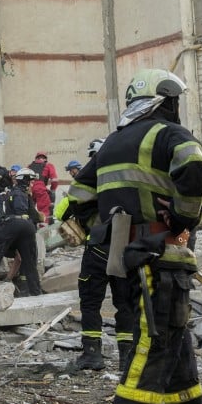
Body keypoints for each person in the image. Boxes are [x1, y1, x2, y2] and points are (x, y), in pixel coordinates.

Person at [66, 69, 202, 404]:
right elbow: (193, 166)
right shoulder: (169, 134)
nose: (176, 107)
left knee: (176, 349)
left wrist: (113, 230)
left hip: (124, 261)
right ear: (164, 101)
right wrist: (182, 219)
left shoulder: (111, 143)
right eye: (174, 101)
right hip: (162, 260)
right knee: (152, 351)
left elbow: (78, 198)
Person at [63, 138, 135, 372]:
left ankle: (92, 354)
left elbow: (71, 202)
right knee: (125, 302)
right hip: (126, 242)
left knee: (91, 301)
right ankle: (126, 358)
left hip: (99, 243)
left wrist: (89, 220)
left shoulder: (94, 172)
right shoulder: (131, 172)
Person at [0, 167, 43, 296]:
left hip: (12, 224)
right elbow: (33, 216)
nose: (33, 184)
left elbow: (15, 212)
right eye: (32, 182)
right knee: (30, 260)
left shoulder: (14, 193)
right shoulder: (25, 195)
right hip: (27, 227)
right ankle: (35, 292)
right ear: (26, 181)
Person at [27, 151, 58, 220]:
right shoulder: (48, 165)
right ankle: (44, 225)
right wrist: (53, 189)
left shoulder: (29, 166)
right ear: (45, 159)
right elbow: (54, 180)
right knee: (44, 211)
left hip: (30, 190)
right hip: (40, 189)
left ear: (36, 158)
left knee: (29, 210)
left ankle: (30, 224)